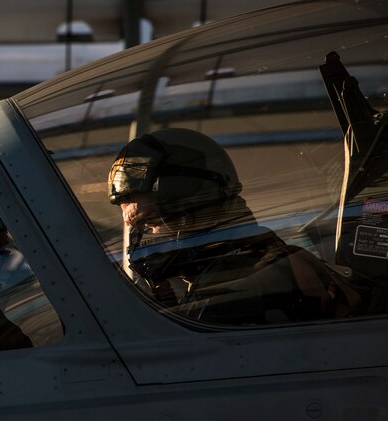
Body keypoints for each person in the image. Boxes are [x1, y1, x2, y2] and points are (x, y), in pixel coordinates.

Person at [107, 128, 359, 324]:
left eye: (149, 223)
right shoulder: (258, 259)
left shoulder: (241, 288)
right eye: (137, 229)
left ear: (192, 212)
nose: (145, 241)